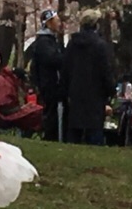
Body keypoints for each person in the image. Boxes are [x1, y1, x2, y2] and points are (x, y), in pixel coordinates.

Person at [60, 9, 116, 146]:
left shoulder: (72, 44)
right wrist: (111, 89)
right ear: (96, 24)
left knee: (75, 130)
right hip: (95, 93)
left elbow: (65, 68)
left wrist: (65, 90)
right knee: (94, 131)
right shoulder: (100, 45)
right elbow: (105, 70)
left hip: (75, 92)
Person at [30, 9, 64, 141]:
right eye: (57, 20)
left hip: (51, 82)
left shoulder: (51, 41)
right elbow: (52, 59)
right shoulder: (44, 42)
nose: (59, 23)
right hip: (48, 83)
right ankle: (50, 137)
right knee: (50, 112)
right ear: (49, 23)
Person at [0, 66, 43, 137]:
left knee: (34, 109)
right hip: (1, 117)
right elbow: (4, 108)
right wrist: (22, 108)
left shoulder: (5, 80)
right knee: (36, 111)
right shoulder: (4, 85)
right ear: (18, 79)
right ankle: (28, 132)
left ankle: (28, 132)